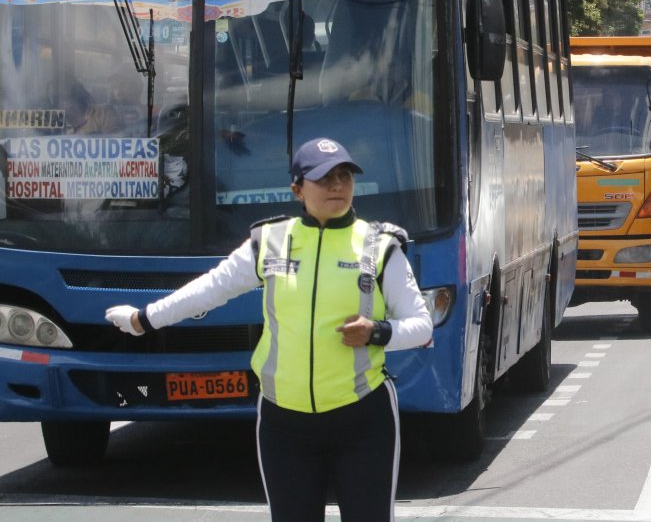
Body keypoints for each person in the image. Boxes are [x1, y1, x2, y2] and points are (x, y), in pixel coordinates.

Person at [104, 136, 432, 521]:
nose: (337, 186)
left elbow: (422, 327)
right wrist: (146, 319)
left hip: (361, 420)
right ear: (297, 189)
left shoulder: (380, 247)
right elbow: (212, 288)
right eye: (324, 178)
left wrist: (377, 332)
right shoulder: (270, 242)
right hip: (285, 425)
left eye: (345, 176)